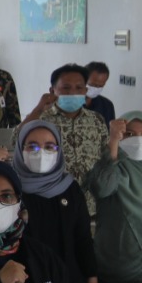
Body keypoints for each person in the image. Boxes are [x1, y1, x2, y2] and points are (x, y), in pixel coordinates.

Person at [11, 121, 96, 283]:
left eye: (49, 147)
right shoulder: (10, 190)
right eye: (32, 146)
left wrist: (92, 278)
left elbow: (83, 238)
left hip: (70, 282)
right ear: (20, 149)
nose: (41, 153)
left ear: (59, 151)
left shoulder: (70, 188)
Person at [25, 63, 109, 217]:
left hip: (89, 204)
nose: (72, 93)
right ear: (52, 91)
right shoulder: (42, 119)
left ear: (85, 91)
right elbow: (15, 140)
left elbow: (106, 156)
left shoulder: (97, 120)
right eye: (66, 88)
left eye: (79, 88)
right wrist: (38, 109)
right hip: (52, 201)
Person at [88, 114, 142, 283]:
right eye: (129, 134)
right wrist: (113, 142)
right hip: (120, 265)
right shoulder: (111, 166)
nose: (138, 140)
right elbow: (102, 188)